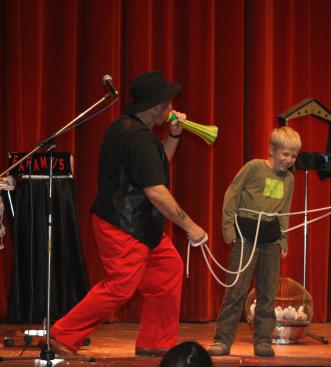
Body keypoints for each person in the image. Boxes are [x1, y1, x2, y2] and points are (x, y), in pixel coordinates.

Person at [48, 71, 206, 357]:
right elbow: (156, 191)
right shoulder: (139, 138)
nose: (171, 109)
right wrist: (191, 227)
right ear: (157, 106)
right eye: (168, 104)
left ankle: (156, 340)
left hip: (141, 225)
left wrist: (174, 135)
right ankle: (62, 334)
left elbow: (156, 165)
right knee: (121, 286)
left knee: (168, 269)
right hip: (123, 225)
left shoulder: (127, 129)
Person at [206, 126, 301, 357]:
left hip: (270, 240)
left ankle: (263, 341)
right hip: (247, 237)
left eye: (294, 155)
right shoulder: (254, 168)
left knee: (267, 292)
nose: (289, 160)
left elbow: (284, 211)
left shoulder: (289, 179)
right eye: (285, 154)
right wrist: (228, 227)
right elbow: (232, 194)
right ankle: (222, 340)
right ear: (272, 150)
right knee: (236, 290)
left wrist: (284, 239)